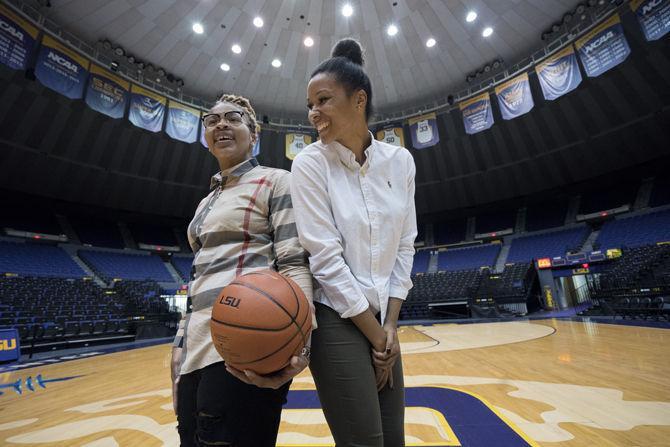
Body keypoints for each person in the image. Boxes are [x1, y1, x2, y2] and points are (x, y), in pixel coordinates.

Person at [291, 38, 417, 447]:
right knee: (364, 441)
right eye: (310, 105)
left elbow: (405, 245)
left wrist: (392, 326)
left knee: (392, 440)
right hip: (336, 318)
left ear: (358, 99)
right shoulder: (309, 164)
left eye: (323, 100)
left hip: (385, 321)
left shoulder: (401, 162)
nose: (314, 114)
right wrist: (378, 337)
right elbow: (324, 260)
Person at [171, 94, 314, 447]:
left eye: (233, 118)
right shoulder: (206, 200)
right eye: (212, 120)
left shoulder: (276, 181)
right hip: (195, 348)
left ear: (254, 135)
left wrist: (303, 346)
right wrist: (178, 347)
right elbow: (198, 278)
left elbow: (294, 262)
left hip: (247, 346)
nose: (220, 124)